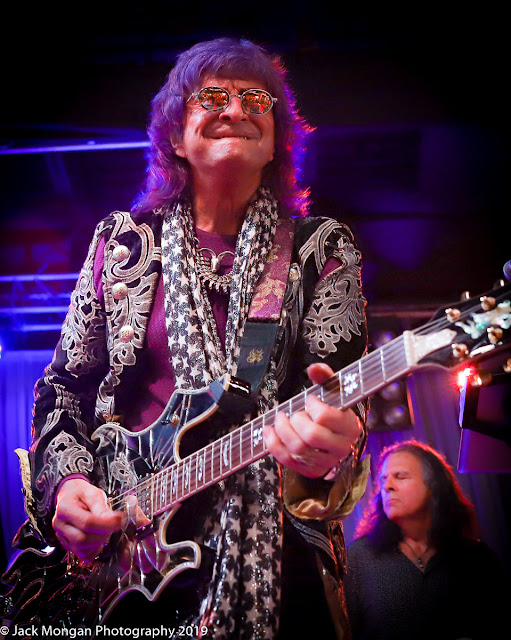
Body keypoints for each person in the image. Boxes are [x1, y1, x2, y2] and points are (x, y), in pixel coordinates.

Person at [7, 38, 369, 639]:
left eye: (257, 99)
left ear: (276, 140)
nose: (238, 108)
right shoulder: (122, 245)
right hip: (121, 570)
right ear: (176, 136)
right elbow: (63, 390)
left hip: (278, 566)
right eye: (213, 97)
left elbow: (341, 401)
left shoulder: (321, 250)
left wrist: (332, 448)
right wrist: (68, 484)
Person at [344, 440, 507, 640]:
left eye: (400, 476)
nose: (387, 486)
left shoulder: (478, 559)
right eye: (383, 479)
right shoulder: (359, 558)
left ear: (433, 487)